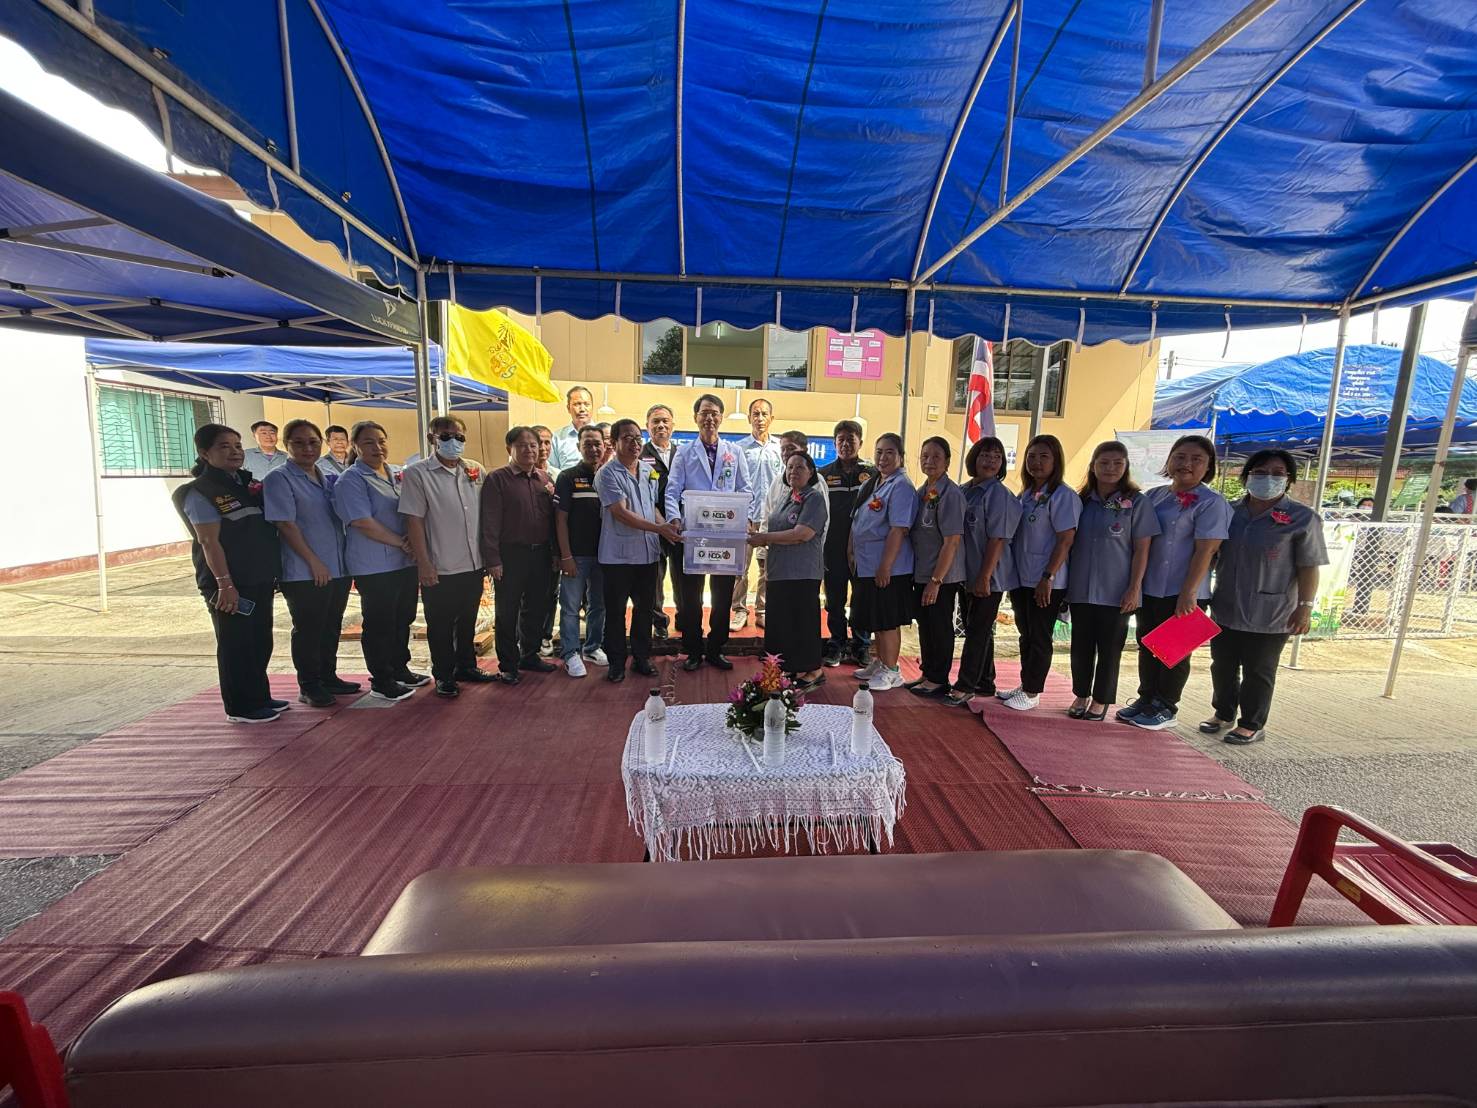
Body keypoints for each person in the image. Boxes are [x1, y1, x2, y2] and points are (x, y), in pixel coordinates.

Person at [1204, 449, 1328, 745]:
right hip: (1227, 604)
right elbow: (1210, 553)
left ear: (1289, 480)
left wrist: (1305, 607)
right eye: (1259, 472)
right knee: (1222, 664)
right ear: (1246, 476)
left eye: (1277, 473)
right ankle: (1223, 712)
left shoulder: (1303, 518)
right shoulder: (1228, 512)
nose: (1267, 478)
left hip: (1272, 611)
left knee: (1259, 669)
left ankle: (1252, 723)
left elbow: (1309, 566)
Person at [1118, 434, 1232, 729]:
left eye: (1196, 459)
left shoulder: (1212, 503)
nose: (1186, 464)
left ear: (1208, 466)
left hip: (1186, 591)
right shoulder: (1154, 496)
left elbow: (1207, 549)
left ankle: (1166, 707)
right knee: (1148, 644)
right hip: (1151, 586)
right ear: (1169, 461)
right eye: (1180, 457)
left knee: (1174, 651)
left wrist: (1189, 592)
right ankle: (1146, 698)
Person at [172, 424, 283, 723]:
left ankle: (259, 696)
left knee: (259, 639)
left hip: (257, 576)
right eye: (224, 446)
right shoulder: (200, 492)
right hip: (228, 581)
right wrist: (225, 584)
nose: (234, 452)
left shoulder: (244, 485)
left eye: (237, 445)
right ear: (204, 453)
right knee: (236, 643)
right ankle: (240, 707)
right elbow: (209, 542)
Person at [263, 418, 358, 708]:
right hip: (305, 570)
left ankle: (328, 676)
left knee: (331, 624)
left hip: (337, 566)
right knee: (309, 628)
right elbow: (285, 524)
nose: (307, 448)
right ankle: (309, 684)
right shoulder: (279, 479)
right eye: (299, 443)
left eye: (313, 442)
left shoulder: (326, 476)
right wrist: (313, 561)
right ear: (286, 445)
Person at [399, 415, 496, 699]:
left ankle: (466, 666)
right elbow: (414, 520)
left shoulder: (474, 470)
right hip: (440, 565)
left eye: (459, 437)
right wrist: (424, 563)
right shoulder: (417, 474)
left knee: (467, 620)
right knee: (440, 624)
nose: (453, 442)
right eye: (445, 436)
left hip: (473, 562)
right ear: (432, 439)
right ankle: (443, 674)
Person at [1065, 441, 1160, 721]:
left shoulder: (1137, 503)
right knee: (1080, 647)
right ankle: (1081, 694)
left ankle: (1101, 699)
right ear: (1093, 466)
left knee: (1109, 649)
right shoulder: (1081, 501)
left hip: (1117, 590)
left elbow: (1142, 549)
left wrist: (1134, 587)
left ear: (1126, 467)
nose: (1110, 468)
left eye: (1118, 463)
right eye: (1104, 462)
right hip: (1081, 588)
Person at [333, 420, 426, 701]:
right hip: (374, 564)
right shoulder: (351, 480)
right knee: (380, 621)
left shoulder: (397, 473)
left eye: (381, 441)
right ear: (355, 446)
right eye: (369, 442)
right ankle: (382, 679)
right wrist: (403, 542)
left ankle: (400, 668)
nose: (377, 447)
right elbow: (362, 521)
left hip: (404, 561)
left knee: (403, 617)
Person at [666, 393, 751, 672]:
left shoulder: (734, 452)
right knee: (690, 595)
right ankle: (693, 649)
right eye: (704, 413)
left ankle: (716, 648)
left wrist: (746, 519)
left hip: (726, 534)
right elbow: (672, 490)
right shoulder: (683, 452)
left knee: (722, 595)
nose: (709, 418)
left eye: (714, 413)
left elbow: (746, 489)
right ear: (695, 418)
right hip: (692, 533)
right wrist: (674, 519)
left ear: (721, 417)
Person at [596, 419, 680, 682]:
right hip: (618, 557)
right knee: (616, 612)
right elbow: (621, 513)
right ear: (614, 443)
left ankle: (642, 658)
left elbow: (651, 507)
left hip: (647, 554)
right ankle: (616, 663)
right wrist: (659, 529)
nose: (634, 443)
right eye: (627, 438)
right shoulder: (607, 474)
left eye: (637, 438)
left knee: (645, 610)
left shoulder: (647, 470)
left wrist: (666, 526)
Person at [1001, 434, 1080, 712]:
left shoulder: (1063, 496)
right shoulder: (1026, 495)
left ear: (1056, 461)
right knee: (1026, 634)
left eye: (1044, 456)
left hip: (1046, 580)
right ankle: (1026, 683)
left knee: (1039, 636)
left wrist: (1048, 577)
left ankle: (1033, 691)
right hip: (1021, 577)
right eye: (1031, 456)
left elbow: (1065, 540)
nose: (1036, 462)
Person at [480, 426, 558, 684]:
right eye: (522, 445)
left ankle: (530, 655)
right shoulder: (497, 479)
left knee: (536, 608)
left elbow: (552, 520)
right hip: (510, 555)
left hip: (541, 554)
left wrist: (555, 553)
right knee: (507, 611)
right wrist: (493, 559)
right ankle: (508, 664)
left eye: (534, 445)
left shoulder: (544, 479)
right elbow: (490, 522)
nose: (530, 450)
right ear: (509, 449)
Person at [946, 435, 1020, 708]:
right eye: (985, 455)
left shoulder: (999, 495)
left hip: (989, 574)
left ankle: (965, 685)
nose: (990, 461)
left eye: (997, 457)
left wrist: (985, 576)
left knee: (977, 629)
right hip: (966, 572)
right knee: (975, 626)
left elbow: (997, 538)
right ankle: (985, 680)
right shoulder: (965, 490)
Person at [749, 451, 828, 689]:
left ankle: (814, 670)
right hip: (779, 572)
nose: (793, 471)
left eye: (800, 467)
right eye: (790, 467)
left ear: (811, 472)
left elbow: (802, 534)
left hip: (802, 573)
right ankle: (790, 667)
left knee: (802, 623)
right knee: (783, 624)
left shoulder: (814, 498)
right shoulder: (787, 497)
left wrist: (764, 538)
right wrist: (759, 536)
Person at [849, 433, 918, 692]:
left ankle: (891, 670)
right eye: (879, 452)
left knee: (888, 620)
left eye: (890, 452)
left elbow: (898, 529)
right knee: (876, 617)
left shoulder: (901, 486)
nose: (883, 457)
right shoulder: (875, 482)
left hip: (889, 567)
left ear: (901, 456)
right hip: (867, 563)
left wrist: (885, 566)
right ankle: (880, 661)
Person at [906, 436, 966, 698]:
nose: (929, 461)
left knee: (939, 626)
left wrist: (936, 580)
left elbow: (952, 541)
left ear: (947, 462)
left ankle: (939, 678)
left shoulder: (950, 494)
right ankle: (928, 672)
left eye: (936, 457)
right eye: (925, 456)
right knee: (926, 624)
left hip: (941, 575)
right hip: (922, 571)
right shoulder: (923, 491)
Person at [818, 420, 874, 668]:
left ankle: (862, 645)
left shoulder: (872, 473)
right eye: (840, 440)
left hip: (863, 549)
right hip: (833, 547)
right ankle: (837, 643)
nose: (845, 444)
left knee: (862, 598)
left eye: (851, 439)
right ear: (834, 444)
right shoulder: (823, 474)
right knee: (834, 599)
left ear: (860, 442)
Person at [554, 426, 608, 678]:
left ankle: (592, 647)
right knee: (571, 606)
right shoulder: (568, 477)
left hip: (604, 555)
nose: (593, 449)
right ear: (579, 447)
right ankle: (570, 653)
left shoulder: (608, 476)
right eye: (588, 444)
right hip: (576, 555)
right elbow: (560, 519)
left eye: (597, 444)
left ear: (604, 446)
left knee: (599, 604)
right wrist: (565, 555)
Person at [733, 398, 782, 632]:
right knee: (738, 568)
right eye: (755, 414)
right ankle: (739, 610)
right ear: (749, 418)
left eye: (764, 414)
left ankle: (762, 611)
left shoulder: (780, 448)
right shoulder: (739, 449)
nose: (760, 418)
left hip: (771, 519)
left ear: (771, 418)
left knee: (767, 568)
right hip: (745, 518)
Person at [642, 403, 680, 639]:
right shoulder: (640, 455)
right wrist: (660, 524)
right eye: (655, 421)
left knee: (683, 576)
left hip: (679, 526)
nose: (661, 425)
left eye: (665, 421)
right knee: (654, 578)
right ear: (647, 426)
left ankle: (684, 617)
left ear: (673, 425)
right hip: (653, 526)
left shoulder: (683, 454)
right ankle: (659, 622)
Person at [548, 386, 594, 474]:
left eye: (586, 404)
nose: (582, 409)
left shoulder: (604, 434)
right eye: (577, 404)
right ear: (568, 408)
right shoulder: (557, 438)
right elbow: (552, 469)